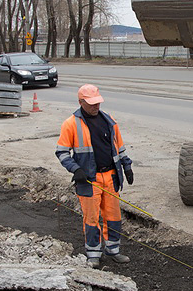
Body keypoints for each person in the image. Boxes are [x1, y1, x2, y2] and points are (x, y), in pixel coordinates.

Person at [55, 84, 134, 268]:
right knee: (91, 218)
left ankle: (113, 250)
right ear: (81, 102)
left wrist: (127, 166)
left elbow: (119, 147)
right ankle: (93, 253)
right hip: (89, 180)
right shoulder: (71, 124)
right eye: (91, 103)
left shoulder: (109, 120)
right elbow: (62, 152)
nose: (95, 106)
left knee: (113, 216)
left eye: (97, 102)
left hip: (111, 177)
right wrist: (76, 169)